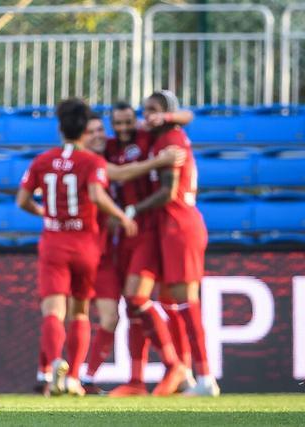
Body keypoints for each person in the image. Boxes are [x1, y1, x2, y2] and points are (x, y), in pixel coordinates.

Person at [16, 98, 138, 397]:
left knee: (53, 311)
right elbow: (96, 194)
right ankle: (73, 377)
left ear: (60, 129)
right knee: (80, 312)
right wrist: (122, 216)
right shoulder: (92, 162)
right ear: (85, 131)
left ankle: (52, 367)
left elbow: (22, 200)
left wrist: (45, 213)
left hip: (54, 243)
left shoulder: (42, 160)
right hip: (85, 245)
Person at [80, 107, 191, 395]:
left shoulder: (146, 137)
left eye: (128, 121)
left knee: (137, 297)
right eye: (117, 123)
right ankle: (136, 380)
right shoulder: (107, 149)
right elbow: (118, 174)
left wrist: (165, 118)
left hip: (147, 230)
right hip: (121, 238)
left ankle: (175, 365)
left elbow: (186, 116)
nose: (123, 127)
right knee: (131, 307)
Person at [127, 90, 220, 396]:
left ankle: (206, 377)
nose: (148, 115)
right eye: (145, 110)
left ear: (167, 112)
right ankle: (187, 373)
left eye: (153, 109)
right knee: (171, 304)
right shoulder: (161, 138)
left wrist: (133, 210)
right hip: (167, 228)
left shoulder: (171, 139)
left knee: (186, 303)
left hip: (179, 226)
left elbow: (168, 192)